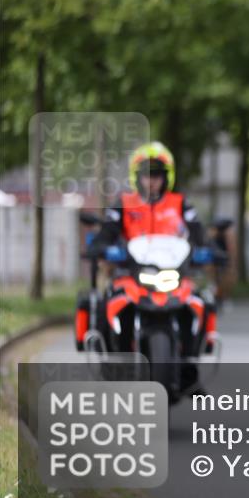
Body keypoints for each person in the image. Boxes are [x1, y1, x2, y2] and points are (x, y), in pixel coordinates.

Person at [78, 142, 217, 364]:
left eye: (157, 175)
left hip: (173, 273)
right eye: (146, 175)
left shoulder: (179, 203)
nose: (151, 181)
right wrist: (101, 246)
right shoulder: (124, 203)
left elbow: (198, 232)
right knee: (109, 299)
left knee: (199, 300)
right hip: (132, 272)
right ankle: (111, 356)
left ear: (166, 177)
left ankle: (191, 365)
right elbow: (108, 231)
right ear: (137, 177)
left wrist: (210, 249)